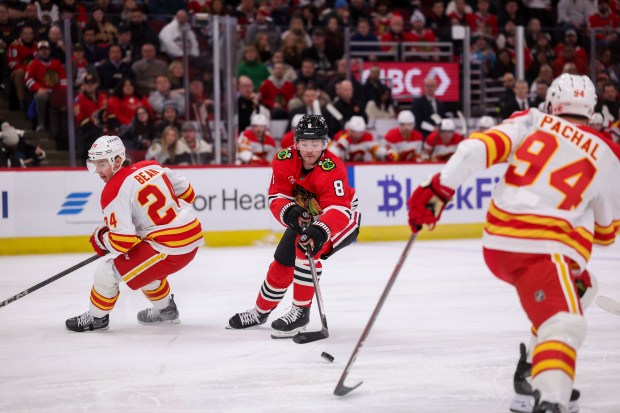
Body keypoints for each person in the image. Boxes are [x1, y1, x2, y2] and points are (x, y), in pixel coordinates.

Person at [406, 74, 620, 413]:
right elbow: (608, 235)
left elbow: (473, 150)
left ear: (551, 104)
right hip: (544, 250)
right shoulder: (608, 153)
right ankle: (551, 399)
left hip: (499, 242)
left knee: (581, 286)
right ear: (593, 110)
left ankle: (533, 368)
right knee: (564, 322)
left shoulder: (531, 119)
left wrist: (439, 190)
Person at [227, 114, 361, 337]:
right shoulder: (283, 159)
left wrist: (320, 230)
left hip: (342, 220)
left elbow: (339, 210)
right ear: (296, 143)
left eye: (316, 143)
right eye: (305, 143)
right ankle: (260, 312)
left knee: (305, 245)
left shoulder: (333, 167)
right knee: (282, 261)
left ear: (325, 144)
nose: (310, 149)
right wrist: (290, 211)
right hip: (309, 215)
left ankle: (301, 313)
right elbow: (276, 196)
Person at [66, 135, 204, 332]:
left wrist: (100, 238)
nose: (97, 171)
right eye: (94, 164)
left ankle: (97, 318)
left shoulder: (113, 190)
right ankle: (167, 311)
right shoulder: (152, 165)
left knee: (106, 272)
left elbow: (122, 242)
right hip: (190, 235)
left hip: (169, 246)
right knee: (145, 270)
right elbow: (189, 194)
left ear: (118, 160)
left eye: (102, 163)